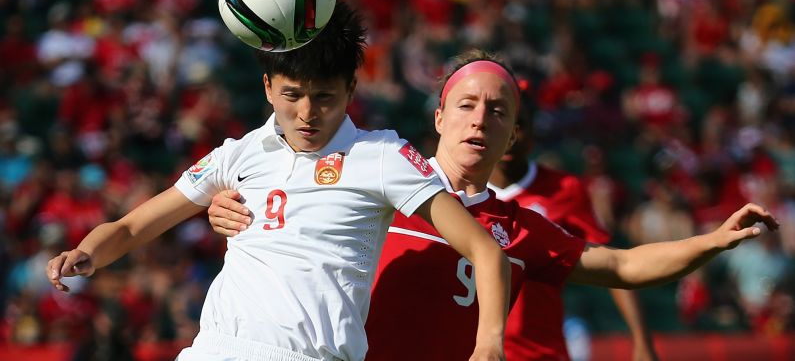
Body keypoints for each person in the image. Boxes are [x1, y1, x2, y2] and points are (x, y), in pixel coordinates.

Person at [206, 53, 778, 360]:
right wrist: (226, 207)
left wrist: (713, 240)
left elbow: (623, 267)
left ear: (512, 136)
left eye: (498, 111)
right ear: (438, 117)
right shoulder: (374, 180)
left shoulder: (518, 230)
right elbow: (284, 191)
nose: (481, 119)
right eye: (467, 105)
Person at [46, 3, 512, 361]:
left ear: (352, 88)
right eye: (292, 95)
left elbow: (487, 251)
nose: (307, 114)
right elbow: (133, 227)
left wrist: (489, 345)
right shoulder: (240, 153)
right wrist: (87, 251)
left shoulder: (384, 156)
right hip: (217, 348)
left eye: (325, 98)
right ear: (268, 87)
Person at [487, 106, 659, 361]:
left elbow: (612, 264)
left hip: (542, 351)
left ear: (533, 132)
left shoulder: (565, 190)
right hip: (476, 350)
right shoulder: (458, 194)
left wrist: (642, 341)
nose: (513, 134)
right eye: (501, 121)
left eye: (520, 124)